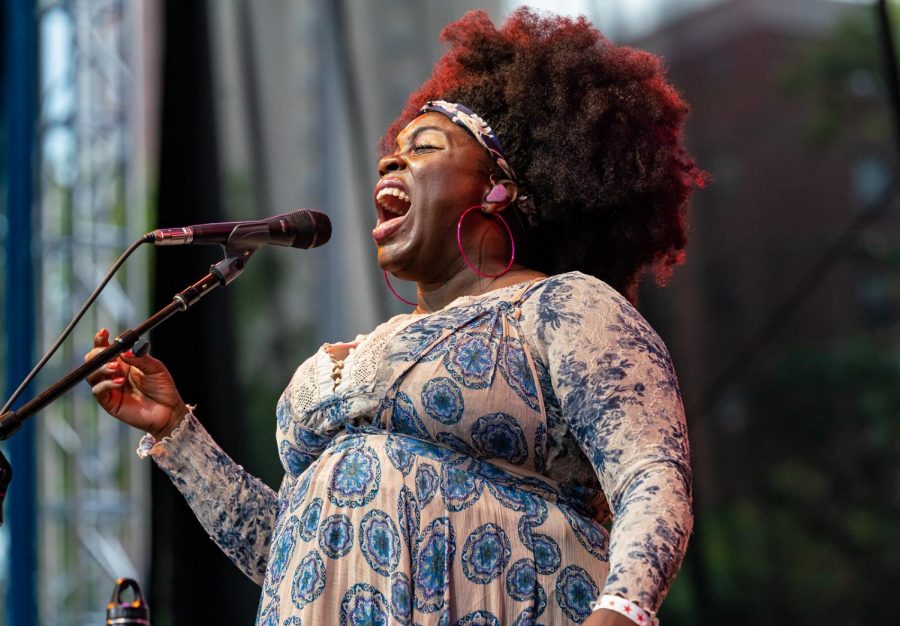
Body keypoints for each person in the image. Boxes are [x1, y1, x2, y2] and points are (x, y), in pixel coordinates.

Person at [86, 8, 702, 625]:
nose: (389, 162)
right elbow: (293, 558)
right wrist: (176, 435)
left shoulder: (561, 307)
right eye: (392, 152)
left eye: (425, 147)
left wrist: (621, 611)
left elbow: (651, 474)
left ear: (499, 187)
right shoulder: (348, 354)